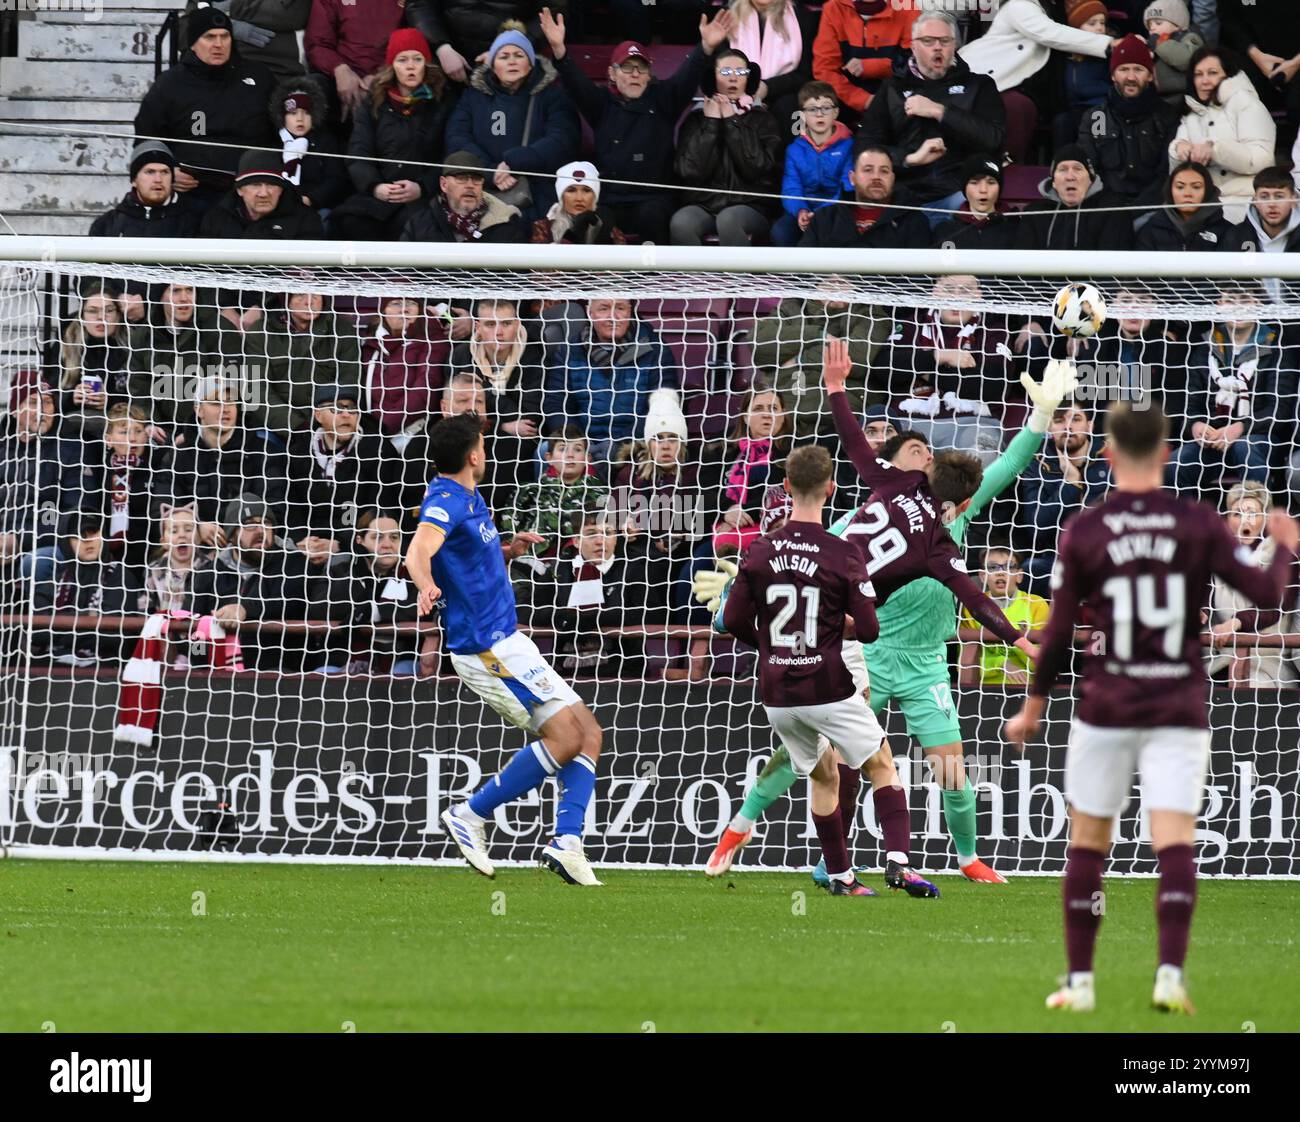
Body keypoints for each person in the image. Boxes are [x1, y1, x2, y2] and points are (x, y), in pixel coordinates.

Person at [704, 358, 1078, 885]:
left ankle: (967, 857)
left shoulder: (956, 515)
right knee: (822, 760)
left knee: (951, 770)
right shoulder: (860, 518)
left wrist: (1041, 414)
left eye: (926, 448)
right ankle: (746, 832)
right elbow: (800, 557)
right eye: (912, 448)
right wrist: (732, 597)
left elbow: (1010, 462)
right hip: (869, 654)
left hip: (926, 662)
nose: (923, 451)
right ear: (899, 463)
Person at [1004, 401, 1300, 1015]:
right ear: (1167, 453)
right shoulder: (1198, 523)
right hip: (1177, 703)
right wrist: (1286, 544)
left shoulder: (1085, 528)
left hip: (1106, 703)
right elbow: (1268, 595)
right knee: (1174, 840)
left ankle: (1080, 984)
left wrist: (1034, 705)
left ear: (1107, 453)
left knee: (1087, 842)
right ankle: (1169, 974)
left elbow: (1058, 634)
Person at [407, 412, 605, 886]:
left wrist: (511, 550)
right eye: (484, 444)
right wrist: (426, 586)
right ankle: (470, 815)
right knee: (564, 738)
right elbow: (418, 552)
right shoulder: (444, 501)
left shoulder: (471, 499)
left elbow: (471, 559)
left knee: (589, 731)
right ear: (473, 455)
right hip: (483, 648)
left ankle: (567, 841)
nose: (488, 451)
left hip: (509, 639)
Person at [540, 9, 733, 244]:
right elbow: (576, 82)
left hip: (655, 199)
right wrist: (560, 51)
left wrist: (705, 49)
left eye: (641, 68)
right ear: (612, 73)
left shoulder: (663, 99)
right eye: (627, 67)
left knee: (651, 217)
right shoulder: (601, 103)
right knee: (596, 222)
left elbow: (687, 75)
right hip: (612, 199)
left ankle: (653, 280)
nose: (634, 74)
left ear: (649, 74)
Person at [856, 11, 1006, 225]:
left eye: (944, 41)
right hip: (903, 194)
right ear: (913, 46)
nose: (938, 47)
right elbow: (865, 147)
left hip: (959, 193)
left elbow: (993, 139)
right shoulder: (892, 89)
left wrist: (941, 112)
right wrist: (909, 159)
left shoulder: (979, 85)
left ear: (954, 45)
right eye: (928, 41)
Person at [133, 7, 277, 214]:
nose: (218, 44)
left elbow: (280, 135)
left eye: (224, 36)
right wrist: (169, 172)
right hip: (190, 193)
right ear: (193, 42)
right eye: (209, 37)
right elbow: (146, 139)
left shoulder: (260, 78)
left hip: (251, 192)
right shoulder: (170, 84)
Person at [443, 22, 580, 221]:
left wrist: (515, 162)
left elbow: (564, 138)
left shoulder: (552, 96)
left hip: (537, 195)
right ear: (492, 65)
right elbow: (457, 137)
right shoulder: (473, 96)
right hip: (485, 191)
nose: (512, 62)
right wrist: (490, 171)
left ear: (531, 62)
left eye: (519, 55)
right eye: (504, 56)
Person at [332, 29, 458, 242]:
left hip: (424, 195)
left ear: (426, 65)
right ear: (392, 66)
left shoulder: (443, 103)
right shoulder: (373, 103)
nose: (410, 66)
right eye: (402, 60)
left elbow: (450, 154)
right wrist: (375, 187)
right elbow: (358, 152)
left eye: (417, 59)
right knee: (350, 223)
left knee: (415, 225)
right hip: (379, 194)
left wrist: (423, 187)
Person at [1167, 283, 1293, 496]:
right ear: (1218, 305)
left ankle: (1255, 522)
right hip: (1213, 442)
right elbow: (1191, 407)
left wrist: (1237, 429)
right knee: (1177, 463)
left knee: (1245, 448)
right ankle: (1187, 525)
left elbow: (1279, 412)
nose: (1238, 308)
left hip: (1259, 440)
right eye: (1230, 301)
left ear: (1259, 305)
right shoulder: (1204, 350)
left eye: (1245, 301)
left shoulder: (1278, 348)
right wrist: (1196, 426)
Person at [958, 0, 1116, 163]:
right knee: (1020, 107)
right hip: (990, 76)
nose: (1098, 28)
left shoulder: (1056, 9)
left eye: (1102, 23)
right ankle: (1009, 166)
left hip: (1090, 108)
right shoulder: (1019, 5)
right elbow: (1051, 33)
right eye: (1092, 24)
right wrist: (1108, 43)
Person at [882, 273, 1011, 465]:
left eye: (965, 291)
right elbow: (884, 368)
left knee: (982, 454)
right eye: (949, 290)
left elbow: (995, 386)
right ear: (935, 292)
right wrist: (941, 357)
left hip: (971, 424)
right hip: (909, 423)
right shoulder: (911, 325)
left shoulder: (994, 331)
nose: (956, 297)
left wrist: (923, 370)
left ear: (979, 295)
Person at [543, 297, 680, 465]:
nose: (613, 317)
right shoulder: (569, 350)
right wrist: (578, 444)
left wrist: (619, 444)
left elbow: (663, 408)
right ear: (589, 312)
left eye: (620, 308)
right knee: (543, 451)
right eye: (603, 309)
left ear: (630, 311)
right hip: (581, 445)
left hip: (636, 444)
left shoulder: (656, 349)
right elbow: (556, 404)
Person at [671, 48, 785, 246]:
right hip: (703, 204)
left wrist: (732, 121)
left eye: (741, 72)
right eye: (725, 72)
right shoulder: (696, 119)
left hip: (751, 206)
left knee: (729, 219)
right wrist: (711, 124)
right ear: (712, 77)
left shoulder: (763, 118)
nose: (733, 78)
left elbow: (755, 168)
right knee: (681, 222)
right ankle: (696, 278)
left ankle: (740, 278)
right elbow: (689, 171)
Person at [163, 376, 290, 549]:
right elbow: (163, 507)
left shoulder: (263, 451)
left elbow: (276, 507)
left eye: (230, 402)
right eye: (216, 402)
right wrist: (196, 527)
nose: (226, 409)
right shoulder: (178, 456)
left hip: (251, 548)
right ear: (198, 409)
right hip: (195, 548)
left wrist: (239, 533)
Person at [285, 385, 403, 559]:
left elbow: (381, 508)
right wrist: (303, 540)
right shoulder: (298, 452)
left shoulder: (379, 452)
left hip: (359, 547)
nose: (346, 414)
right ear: (318, 415)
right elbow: (291, 505)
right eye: (336, 408)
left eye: (352, 409)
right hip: (307, 546)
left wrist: (340, 543)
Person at [750, 293, 888, 439]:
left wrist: (799, 359)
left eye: (844, 278)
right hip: (785, 416)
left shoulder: (871, 313)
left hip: (837, 421)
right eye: (830, 278)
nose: (837, 282)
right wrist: (817, 335)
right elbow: (760, 347)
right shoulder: (790, 307)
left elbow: (855, 356)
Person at [228, 291, 364, 437]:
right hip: (274, 429)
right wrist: (296, 427)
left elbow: (349, 385)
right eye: (300, 294)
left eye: (316, 295)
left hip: (327, 427)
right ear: (286, 299)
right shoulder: (260, 331)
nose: (309, 302)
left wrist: (321, 424)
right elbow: (254, 389)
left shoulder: (342, 332)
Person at [1206, 482, 1298, 687]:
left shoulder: (1283, 552)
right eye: (1237, 514)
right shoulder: (1218, 555)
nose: (1244, 521)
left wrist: (1236, 622)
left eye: (1252, 513)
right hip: (1222, 660)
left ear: (1265, 518)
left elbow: (1276, 605)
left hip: (1269, 664)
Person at [1169, 46, 1276, 221]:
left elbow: (1261, 159)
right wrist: (1178, 150)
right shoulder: (1191, 113)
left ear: (1228, 75)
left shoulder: (1246, 103)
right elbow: (1175, 173)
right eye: (1198, 74)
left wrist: (1215, 151)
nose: (1204, 81)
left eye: (1212, 73)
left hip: (1246, 199)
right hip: (1203, 203)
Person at [1078, 34, 1183, 210]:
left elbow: (1166, 173)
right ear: (1112, 75)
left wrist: (1142, 208)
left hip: (1154, 209)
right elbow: (1090, 168)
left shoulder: (1167, 116)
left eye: (1138, 69)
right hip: (1107, 208)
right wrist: (1113, 207)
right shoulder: (1098, 118)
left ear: (1150, 76)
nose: (1131, 77)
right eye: (1124, 69)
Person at [1017, 403, 1111, 594]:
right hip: (1058, 559)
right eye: (1059, 420)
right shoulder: (1037, 463)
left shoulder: (1112, 456)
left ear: (1090, 426)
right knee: (1030, 570)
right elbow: (1037, 527)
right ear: (1050, 427)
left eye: (1076, 419)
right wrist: (1070, 483)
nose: (1068, 427)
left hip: (1109, 556)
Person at [314, 509, 423, 675]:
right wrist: (360, 581)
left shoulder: (413, 573)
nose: (387, 544)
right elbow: (318, 608)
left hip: (401, 659)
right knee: (323, 672)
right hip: (345, 661)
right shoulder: (340, 571)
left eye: (394, 537)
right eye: (378, 537)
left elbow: (422, 608)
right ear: (360, 540)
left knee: (402, 672)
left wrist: (375, 612)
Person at [31, 513, 138, 666]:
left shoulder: (121, 576)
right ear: (67, 543)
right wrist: (89, 621)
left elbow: (113, 636)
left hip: (105, 671)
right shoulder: (55, 579)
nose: (88, 540)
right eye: (78, 535)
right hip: (51, 667)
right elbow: (37, 633)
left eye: (93, 532)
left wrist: (61, 624)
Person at [0, 375, 79, 579]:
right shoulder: (2, 449)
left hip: (49, 546)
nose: (43, 410)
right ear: (15, 410)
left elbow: (75, 515)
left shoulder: (70, 449)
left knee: (35, 562)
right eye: (34, 402)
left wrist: (18, 540)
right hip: (4, 543)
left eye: (48, 402)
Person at [501, 425, 609, 562]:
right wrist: (512, 548)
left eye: (577, 449)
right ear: (549, 457)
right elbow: (509, 522)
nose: (570, 455)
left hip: (578, 560)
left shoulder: (600, 493)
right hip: (529, 558)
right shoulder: (529, 490)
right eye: (562, 449)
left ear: (588, 458)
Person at [125, 282, 223, 430]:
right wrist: (150, 423)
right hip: (160, 431)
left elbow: (227, 389)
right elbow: (140, 391)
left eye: (190, 290)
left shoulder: (218, 330)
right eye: (176, 291)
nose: (184, 298)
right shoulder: (143, 336)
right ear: (160, 297)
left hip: (208, 428)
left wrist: (193, 431)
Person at [799, 144, 932, 248]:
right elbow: (800, 269)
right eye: (868, 170)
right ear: (852, 178)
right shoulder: (824, 219)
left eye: (884, 171)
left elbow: (920, 277)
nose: (876, 177)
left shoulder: (913, 221)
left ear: (892, 179)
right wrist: (822, 283)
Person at [773, 82, 855, 247]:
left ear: (836, 113)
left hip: (835, 210)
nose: (819, 114)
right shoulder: (794, 149)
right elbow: (791, 189)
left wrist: (818, 214)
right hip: (803, 210)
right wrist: (801, 211)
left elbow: (847, 189)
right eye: (812, 109)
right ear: (802, 116)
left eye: (826, 108)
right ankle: (791, 273)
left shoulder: (849, 146)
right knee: (780, 232)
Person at [360, 295, 450, 444]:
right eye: (396, 303)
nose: (404, 309)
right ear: (384, 311)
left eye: (411, 303)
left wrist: (382, 430)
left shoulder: (432, 338)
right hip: (372, 431)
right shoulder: (371, 344)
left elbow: (427, 387)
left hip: (415, 431)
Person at [959, 544, 1050, 686]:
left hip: (1028, 687)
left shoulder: (1036, 605)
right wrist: (1002, 664)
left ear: (1019, 576)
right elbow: (964, 662)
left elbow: (1045, 661)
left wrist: (1020, 648)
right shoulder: (972, 607)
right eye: (993, 567)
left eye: (1008, 567)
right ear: (983, 576)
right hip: (985, 690)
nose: (1001, 573)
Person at [1015, 145, 1135, 250]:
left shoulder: (1113, 210)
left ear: (1091, 179)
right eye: (1063, 169)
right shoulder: (1034, 213)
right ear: (1053, 182)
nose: (1070, 177)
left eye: (1078, 169)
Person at [304, 0, 405, 124]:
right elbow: (317, 44)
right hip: (340, 79)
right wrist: (339, 69)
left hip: (390, 77)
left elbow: (415, 44)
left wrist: (381, 75)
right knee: (309, 89)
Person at [810, 0, 912, 119]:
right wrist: (864, 100)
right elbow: (824, 70)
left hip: (896, 98)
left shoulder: (906, 7)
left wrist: (871, 67)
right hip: (845, 99)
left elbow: (914, 63)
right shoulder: (834, 8)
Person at [724, 0, 819, 128]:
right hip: (737, 95)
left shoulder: (802, 17)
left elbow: (805, 76)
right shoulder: (728, 17)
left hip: (784, 97)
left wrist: (768, 87)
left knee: (788, 106)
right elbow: (717, 70)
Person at [399, 150, 529, 243]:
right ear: (444, 184)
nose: (470, 185)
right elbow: (402, 274)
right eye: (461, 179)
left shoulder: (506, 224)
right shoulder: (419, 224)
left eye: (476, 179)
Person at [57, 280, 131, 439]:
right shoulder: (65, 347)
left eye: (109, 310)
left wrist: (110, 401)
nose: (100, 317)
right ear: (82, 316)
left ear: (118, 315)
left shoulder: (133, 348)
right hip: (72, 431)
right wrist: (72, 397)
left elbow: (143, 400)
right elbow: (47, 397)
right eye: (92, 311)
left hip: (120, 432)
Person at [198, 150, 326, 239]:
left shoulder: (305, 220)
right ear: (239, 190)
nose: (264, 193)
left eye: (271, 185)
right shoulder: (217, 218)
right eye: (256, 185)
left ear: (281, 189)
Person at [268, 76, 350, 213]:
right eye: (293, 113)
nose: (300, 118)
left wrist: (311, 199)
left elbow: (335, 179)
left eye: (306, 113)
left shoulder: (325, 142)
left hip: (316, 207)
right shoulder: (274, 143)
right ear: (282, 117)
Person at [89, 141, 202, 239]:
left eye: (164, 172)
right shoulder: (106, 224)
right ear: (134, 180)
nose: (158, 179)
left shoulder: (194, 223)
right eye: (150, 172)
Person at [1135, 160, 1254, 250]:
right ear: (1170, 191)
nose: (1187, 193)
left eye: (1196, 187)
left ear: (1207, 191)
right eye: (1180, 187)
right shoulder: (1150, 230)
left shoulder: (1227, 232)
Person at [181, 0, 309, 81]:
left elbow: (292, 14)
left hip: (272, 71)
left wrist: (232, 6)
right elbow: (183, 32)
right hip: (211, 74)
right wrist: (224, 26)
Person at [1219, 0, 1300, 124]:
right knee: (1238, 100)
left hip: (1296, 60)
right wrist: (1256, 55)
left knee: (1296, 105)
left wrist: (1295, 63)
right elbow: (1229, 19)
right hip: (1255, 57)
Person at [137, 502, 214, 616]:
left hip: (198, 631)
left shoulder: (209, 568)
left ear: (198, 539)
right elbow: (143, 609)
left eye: (188, 530)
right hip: (161, 631)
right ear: (164, 542)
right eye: (174, 531)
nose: (182, 535)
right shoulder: (153, 570)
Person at [931, 155, 1017, 250]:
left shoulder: (1016, 230)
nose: (983, 190)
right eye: (974, 182)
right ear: (964, 189)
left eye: (991, 182)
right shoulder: (945, 230)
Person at [530, 162, 624, 245]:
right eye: (571, 190)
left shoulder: (608, 228)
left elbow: (623, 261)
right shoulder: (543, 227)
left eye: (587, 191)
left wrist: (603, 236)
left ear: (595, 197)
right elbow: (543, 263)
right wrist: (573, 235)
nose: (579, 198)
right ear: (561, 196)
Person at [1144, 1, 1206, 105]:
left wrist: (1159, 44)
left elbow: (1186, 59)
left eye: (1158, 23)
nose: (1153, 28)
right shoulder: (1154, 43)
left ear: (1178, 25)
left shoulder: (1190, 37)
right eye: (1150, 26)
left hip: (1186, 97)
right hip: (1160, 97)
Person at [1242, 166, 1300, 253]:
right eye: (1264, 197)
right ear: (1255, 201)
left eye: (1279, 196)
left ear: (1293, 201)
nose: (1272, 204)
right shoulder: (1236, 236)